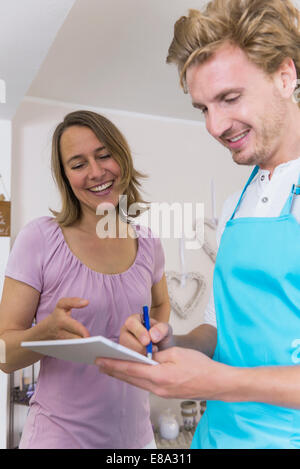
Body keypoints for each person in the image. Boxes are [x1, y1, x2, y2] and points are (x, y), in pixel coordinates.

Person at [95, 0, 300, 449]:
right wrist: (174, 345)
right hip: (213, 439)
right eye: (202, 108)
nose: (214, 125)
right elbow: (218, 329)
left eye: (229, 98)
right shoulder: (234, 205)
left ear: (286, 76)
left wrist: (215, 382)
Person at [0, 110, 170, 449]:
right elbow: (3, 354)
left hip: (136, 440)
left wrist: (152, 336)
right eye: (78, 164)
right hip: (59, 438)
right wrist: (42, 335)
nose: (96, 172)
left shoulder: (148, 241)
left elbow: (161, 303)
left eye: (104, 155)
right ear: (65, 176)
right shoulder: (39, 239)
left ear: (122, 156)